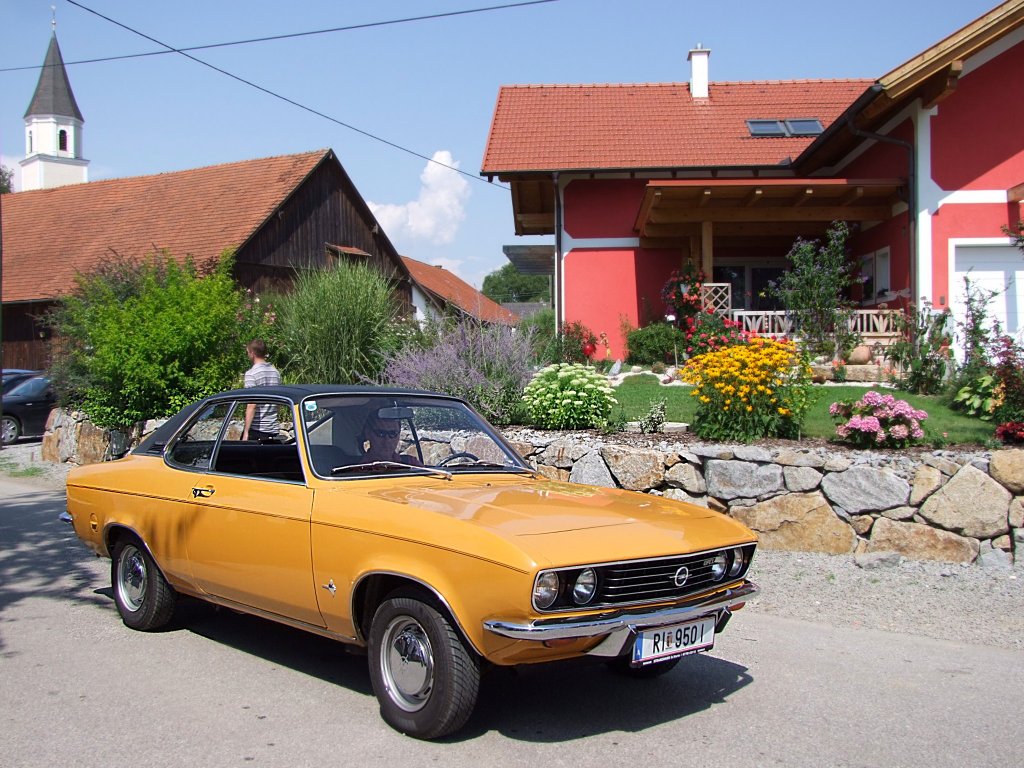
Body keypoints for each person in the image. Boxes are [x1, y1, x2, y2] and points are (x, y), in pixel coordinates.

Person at [242, 339, 282, 441]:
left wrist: (246, 432)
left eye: (247, 352)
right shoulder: (275, 372)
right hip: (272, 428)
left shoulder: (251, 374)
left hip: (257, 429)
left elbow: (252, 404)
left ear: (252, 353)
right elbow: (278, 403)